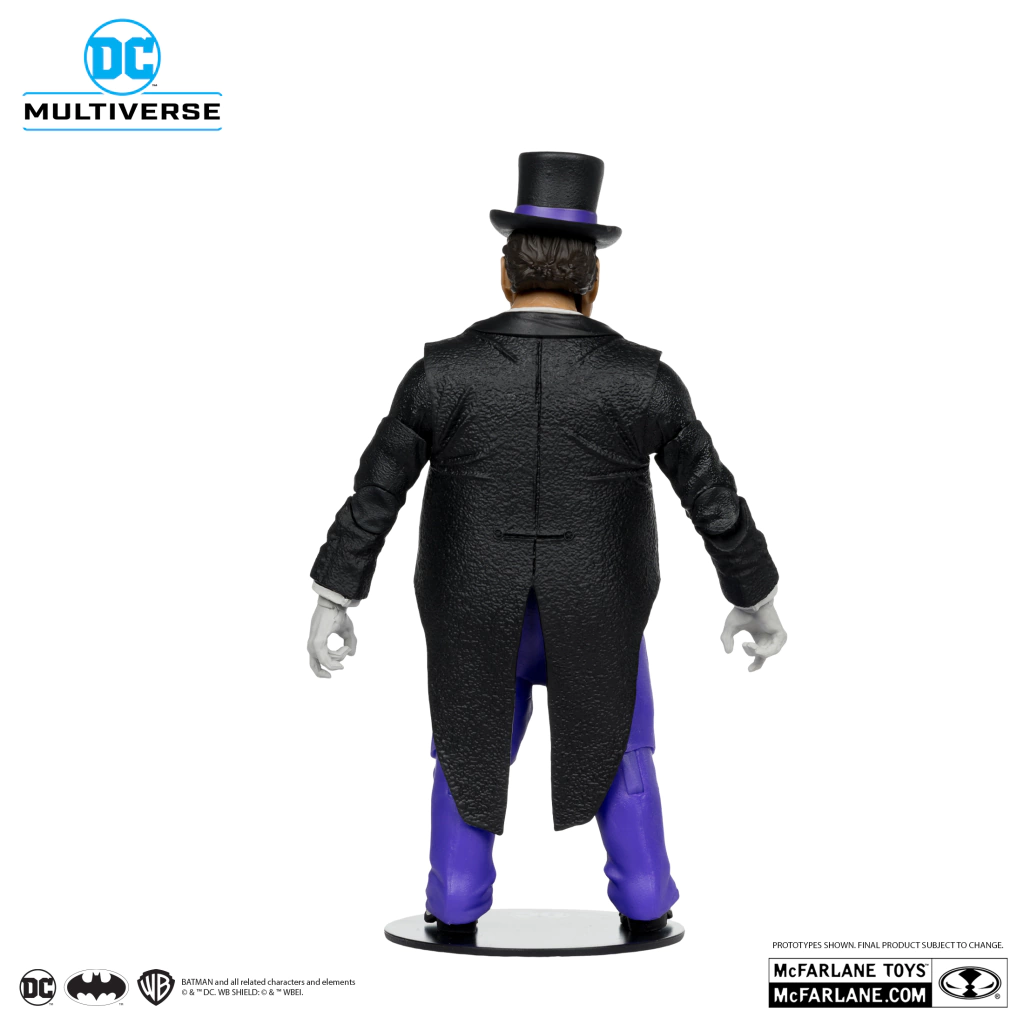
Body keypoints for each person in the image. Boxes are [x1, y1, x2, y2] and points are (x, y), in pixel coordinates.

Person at [307, 152, 786, 935]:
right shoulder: (644, 381)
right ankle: (645, 899)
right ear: (595, 282)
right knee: (623, 749)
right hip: (600, 609)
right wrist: (754, 596)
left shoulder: (441, 375)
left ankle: (455, 900)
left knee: (465, 752)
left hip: (472, 606)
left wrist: (336, 594)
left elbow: (377, 490)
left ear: (505, 275)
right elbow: (713, 498)